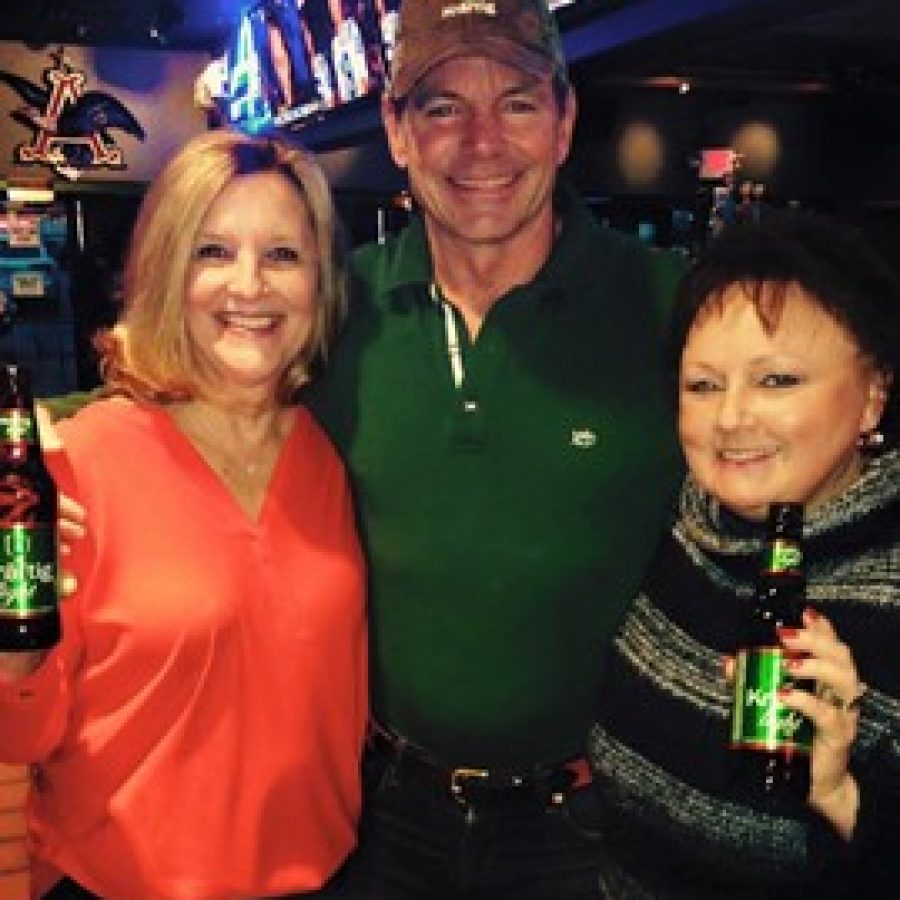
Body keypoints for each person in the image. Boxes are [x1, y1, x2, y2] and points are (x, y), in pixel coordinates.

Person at [301, 1, 684, 896]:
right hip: (379, 816)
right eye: (442, 109)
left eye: (515, 104)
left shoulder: (673, 307)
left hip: (590, 825)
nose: (482, 144)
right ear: (396, 131)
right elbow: (196, 389)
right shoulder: (331, 311)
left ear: (564, 122)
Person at [0, 129, 367, 899]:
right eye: (212, 252)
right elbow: (20, 730)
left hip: (322, 880)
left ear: (320, 282)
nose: (249, 286)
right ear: (167, 273)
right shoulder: (84, 461)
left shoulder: (325, 459)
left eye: (283, 256)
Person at [588, 213, 900, 898]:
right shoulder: (687, 524)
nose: (730, 418)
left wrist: (843, 799)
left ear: (873, 393)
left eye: (777, 381)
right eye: (703, 385)